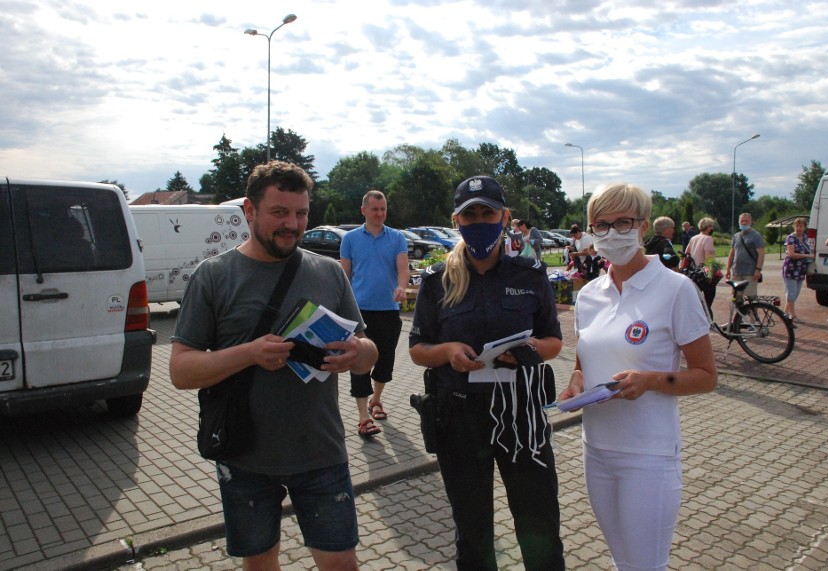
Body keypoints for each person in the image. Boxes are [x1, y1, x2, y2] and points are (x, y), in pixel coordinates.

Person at [169, 161, 378, 571]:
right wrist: (248, 353)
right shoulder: (213, 276)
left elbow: (368, 350)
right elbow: (180, 371)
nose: (293, 224)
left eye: (301, 213)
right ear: (249, 211)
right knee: (261, 563)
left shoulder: (328, 272)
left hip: (320, 451)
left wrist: (359, 354)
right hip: (245, 455)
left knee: (341, 564)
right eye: (279, 213)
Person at [558, 182, 717, 571]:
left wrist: (650, 381)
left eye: (623, 223)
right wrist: (576, 382)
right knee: (622, 560)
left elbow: (706, 376)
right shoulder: (590, 295)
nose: (611, 234)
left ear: (644, 226)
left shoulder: (676, 289)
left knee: (645, 565)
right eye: (601, 225)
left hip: (648, 454)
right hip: (596, 448)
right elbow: (582, 362)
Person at [409, 175, 565, 570]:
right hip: (459, 418)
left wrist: (528, 350)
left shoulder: (529, 275)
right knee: (473, 532)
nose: (479, 221)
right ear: (456, 220)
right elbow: (417, 349)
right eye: (470, 214)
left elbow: (554, 341)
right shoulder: (437, 279)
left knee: (539, 525)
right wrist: (445, 351)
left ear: (505, 217)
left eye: (487, 212)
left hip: (521, 416)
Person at [340, 190, 410, 438]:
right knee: (358, 362)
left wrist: (401, 286)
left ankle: (376, 400)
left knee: (385, 360)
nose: (380, 214)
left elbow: (403, 268)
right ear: (364, 210)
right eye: (375, 209)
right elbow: (345, 276)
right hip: (358, 312)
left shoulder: (397, 237)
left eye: (383, 209)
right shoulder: (349, 239)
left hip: (388, 310)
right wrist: (340, 304)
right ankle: (362, 418)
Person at [782, 217, 814, 324]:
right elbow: (791, 254)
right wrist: (807, 255)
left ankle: (785, 313)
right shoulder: (791, 238)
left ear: (805, 227)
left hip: (801, 269)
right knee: (791, 292)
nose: (799, 228)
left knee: (795, 293)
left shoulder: (805, 237)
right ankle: (793, 315)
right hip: (791, 268)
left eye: (801, 226)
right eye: (797, 226)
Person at [725, 213, 765, 298]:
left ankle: (752, 311)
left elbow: (761, 254)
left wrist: (758, 270)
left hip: (750, 272)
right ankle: (738, 311)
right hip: (737, 271)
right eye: (742, 221)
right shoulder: (736, 236)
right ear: (739, 222)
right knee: (736, 296)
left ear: (751, 222)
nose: (744, 223)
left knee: (751, 296)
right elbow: (732, 253)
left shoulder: (756, 236)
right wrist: (728, 269)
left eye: (746, 221)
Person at [685, 217, 719, 310]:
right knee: (708, 301)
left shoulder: (693, 238)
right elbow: (709, 258)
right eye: (711, 226)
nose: (712, 229)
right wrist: (709, 275)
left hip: (694, 272)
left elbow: (687, 253)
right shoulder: (708, 239)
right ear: (708, 227)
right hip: (703, 272)